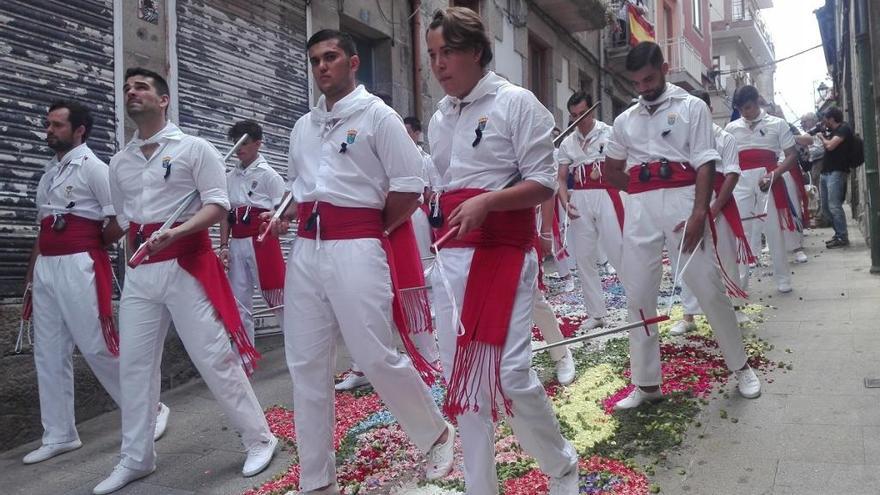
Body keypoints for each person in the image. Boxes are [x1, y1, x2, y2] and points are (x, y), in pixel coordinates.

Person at [269, 30, 454, 493]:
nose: (321, 67)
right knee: (306, 364)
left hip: (357, 245)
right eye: (314, 60)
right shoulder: (302, 126)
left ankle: (435, 432)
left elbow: (409, 188)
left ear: (354, 62)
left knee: (373, 354)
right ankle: (316, 479)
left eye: (330, 57)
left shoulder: (379, 117)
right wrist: (291, 215)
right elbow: (301, 186)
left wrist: (369, 229)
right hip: (306, 252)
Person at [95, 68, 277, 494]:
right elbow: (124, 222)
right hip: (141, 273)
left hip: (186, 266)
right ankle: (136, 457)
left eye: (140, 87)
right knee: (135, 366)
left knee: (214, 357)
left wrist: (176, 232)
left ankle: (259, 437)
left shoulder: (195, 149)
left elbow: (218, 206)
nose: (131, 92)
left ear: (163, 100)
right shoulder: (119, 162)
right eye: (127, 88)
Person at [426, 8, 579, 493]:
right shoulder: (439, 118)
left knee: (510, 375)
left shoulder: (518, 103)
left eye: (447, 52)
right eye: (431, 54)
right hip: (451, 259)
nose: (438, 64)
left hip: (503, 253)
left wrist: (488, 202)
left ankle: (561, 465)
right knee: (465, 382)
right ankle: (480, 486)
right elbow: (445, 185)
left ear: (475, 51)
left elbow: (541, 183)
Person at [602, 42, 761, 410]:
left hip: (683, 200)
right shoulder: (625, 120)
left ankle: (741, 368)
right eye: (636, 82)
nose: (643, 87)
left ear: (665, 67)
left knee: (707, 287)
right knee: (638, 295)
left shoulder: (692, 107)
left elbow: (706, 161)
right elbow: (611, 170)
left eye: (649, 78)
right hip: (641, 206)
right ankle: (646, 384)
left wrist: (699, 212)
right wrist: (642, 191)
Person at [22, 100, 169, 466]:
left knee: (96, 345)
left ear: (79, 131)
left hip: (80, 264)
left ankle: (151, 409)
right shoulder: (48, 174)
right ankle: (59, 433)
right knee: (49, 352)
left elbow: (123, 216)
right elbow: (43, 228)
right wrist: (31, 275)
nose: (49, 130)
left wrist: (96, 244)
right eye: (48, 123)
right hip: (48, 269)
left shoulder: (95, 169)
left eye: (57, 125)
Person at [335, 116, 442, 392]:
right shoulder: (347, 145)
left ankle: (428, 358)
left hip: (394, 225)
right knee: (363, 299)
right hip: (360, 230)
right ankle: (364, 365)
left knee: (409, 291)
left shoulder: (397, 143)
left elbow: (414, 193)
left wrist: (386, 224)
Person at [670, 90, 752, 335]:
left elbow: (732, 174)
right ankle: (689, 315)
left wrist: (713, 209)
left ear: (708, 109)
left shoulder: (724, 138)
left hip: (719, 200)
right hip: (686, 199)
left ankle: (735, 306)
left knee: (725, 253)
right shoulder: (678, 139)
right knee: (687, 255)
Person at [555, 91, 624, 332]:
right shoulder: (567, 142)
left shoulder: (610, 131)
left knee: (618, 251)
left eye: (582, 114)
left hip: (607, 194)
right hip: (581, 199)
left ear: (591, 110)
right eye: (573, 116)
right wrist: (565, 203)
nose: (578, 120)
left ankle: (638, 306)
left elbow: (625, 163)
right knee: (584, 259)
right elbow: (561, 179)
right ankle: (596, 313)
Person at [219, 120, 287, 352]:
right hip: (237, 242)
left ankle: (296, 348)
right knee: (239, 301)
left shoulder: (270, 175)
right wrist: (223, 245)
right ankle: (244, 353)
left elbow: (282, 212)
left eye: (244, 143)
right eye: (236, 143)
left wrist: (276, 220)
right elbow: (225, 214)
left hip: (261, 241)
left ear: (258, 144)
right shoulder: (229, 177)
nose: (239, 148)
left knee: (278, 297)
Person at [725, 85, 799, 294]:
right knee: (741, 231)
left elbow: (792, 155)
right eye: (741, 109)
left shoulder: (778, 124)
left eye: (748, 107)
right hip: (740, 180)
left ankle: (783, 278)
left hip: (768, 177)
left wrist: (775, 174)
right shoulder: (731, 128)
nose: (745, 113)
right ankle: (740, 282)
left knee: (774, 229)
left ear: (757, 101)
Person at [817, 106, 852, 248]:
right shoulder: (831, 131)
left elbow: (830, 146)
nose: (823, 121)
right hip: (826, 173)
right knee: (825, 207)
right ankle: (838, 234)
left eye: (825, 117)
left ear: (831, 118)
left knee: (834, 206)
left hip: (836, 173)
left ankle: (842, 237)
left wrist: (821, 137)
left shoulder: (843, 129)